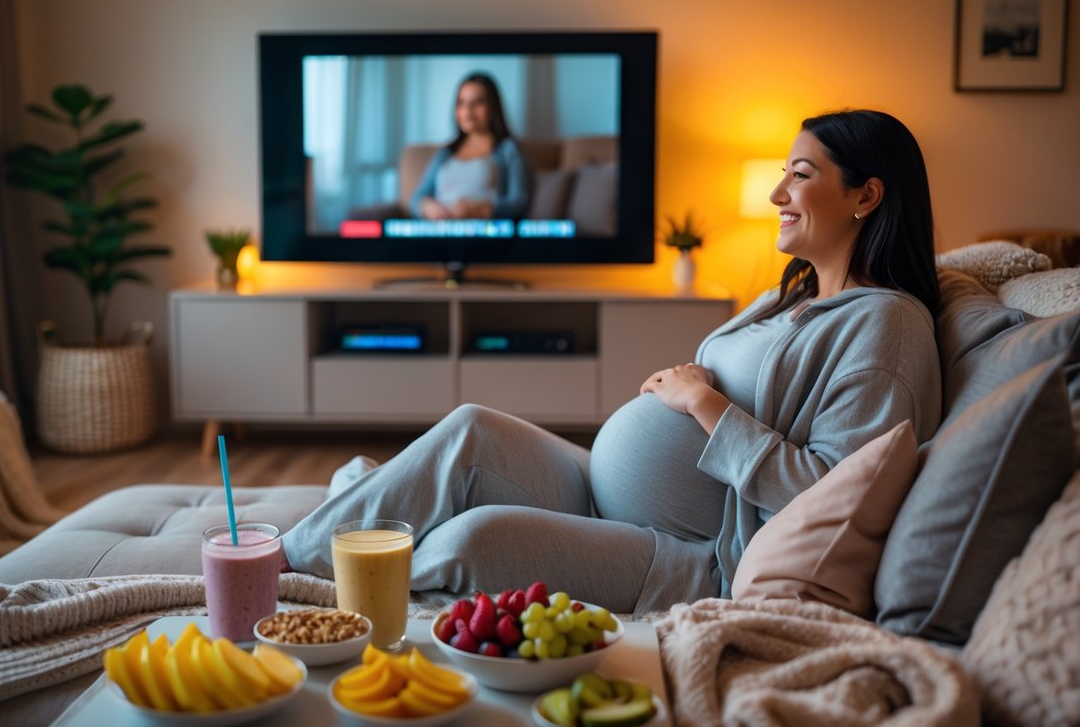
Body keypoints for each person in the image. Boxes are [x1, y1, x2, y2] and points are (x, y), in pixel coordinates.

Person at [284, 109, 942, 615]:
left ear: (865, 196)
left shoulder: (884, 323)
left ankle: (352, 532)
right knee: (469, 429)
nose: (776, 194)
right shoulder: (785, 296)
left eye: (800, 174)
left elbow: (826, 496)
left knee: (469, 539)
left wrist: (700, 402)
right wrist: (682, 386)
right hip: (609, 496)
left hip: (698, 557)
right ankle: (292, 559)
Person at [409, 72, 532, 221]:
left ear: (493, 107)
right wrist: (429, 207)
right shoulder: (445, 153)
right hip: (440, 232)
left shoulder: (507, 149)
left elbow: (519, 201)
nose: (467, 112)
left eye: (477, 102)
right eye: (461, 103)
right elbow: (416, 199)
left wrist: (480, 209)